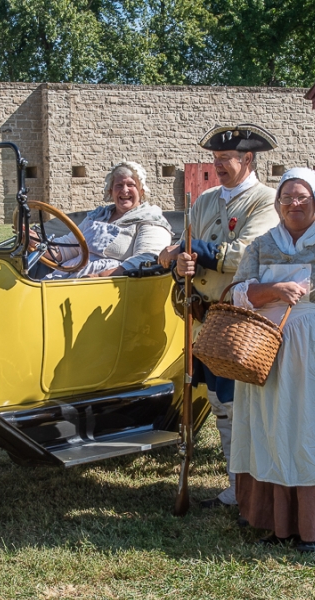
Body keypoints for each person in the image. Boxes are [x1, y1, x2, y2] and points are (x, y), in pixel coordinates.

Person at [225, 168, 315, 551]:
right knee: (272, 425)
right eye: (287, 196)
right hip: (266, 350)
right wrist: (272, 289)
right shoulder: (261, 244)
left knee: (312, 428)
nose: (294, 204)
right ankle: (276, 521)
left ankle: (313, 522)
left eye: (302, 197)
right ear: (277, 202)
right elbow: (237, 293)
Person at [158, 123, 279, 509]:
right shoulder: (207, 199)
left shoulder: (266, 201)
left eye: (226, 159)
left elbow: (249, 253)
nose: (219, 166)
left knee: (240, 404)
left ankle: (254, 482)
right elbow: (184, 251)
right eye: (215, 159)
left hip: (240, 317)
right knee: (220, 403)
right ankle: (235, 483)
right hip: (205, 316)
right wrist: (180, 264)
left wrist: (197, 252)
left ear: (248, 159)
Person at [34, 161, 172, 279]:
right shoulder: (98, 216)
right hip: (73, 278)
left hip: (113, 288)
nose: (124, 190)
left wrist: (100, 277)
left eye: (131, 185)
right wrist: (35, 242)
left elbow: (147, 259)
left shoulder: (151, 219)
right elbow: (66, 249)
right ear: (111, 191)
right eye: (119, 185)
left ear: (141, 191)